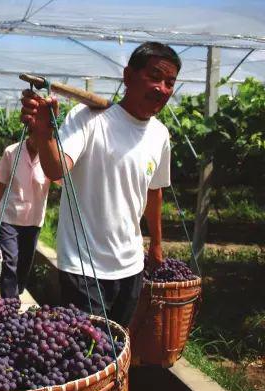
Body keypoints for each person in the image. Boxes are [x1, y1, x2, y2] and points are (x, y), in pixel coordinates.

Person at [20, 41, 181, 327]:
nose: (162, 89)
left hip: (132, 265)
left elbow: (154, 191)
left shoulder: (159, 135)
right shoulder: (88, 119)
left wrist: (156, 243)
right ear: (128, 76)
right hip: (83, 267)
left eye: (170, 82)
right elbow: (56, 170)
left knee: (117, 349)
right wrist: (44, 132)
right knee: (87, 355)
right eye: (155, 77)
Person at [0, 134, 51, 299]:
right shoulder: (12, 152)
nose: (38, 140)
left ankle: (16, 293)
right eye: (36, 134)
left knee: (25, 262)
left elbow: (61, 180)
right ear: (29, 132)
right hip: (10, 216)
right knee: (9, 260)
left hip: (34, 218)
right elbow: (1, 183)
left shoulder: (49, 155)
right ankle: (9, 304)